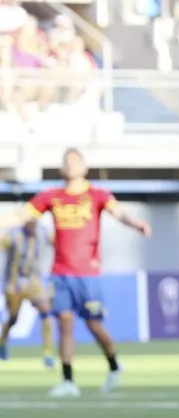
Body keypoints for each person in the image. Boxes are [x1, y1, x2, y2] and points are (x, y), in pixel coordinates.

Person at [0, 148, 151, 397]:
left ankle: (114, 365)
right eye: (66, 162)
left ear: (85, 167)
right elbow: (20, 216)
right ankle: (68, 381)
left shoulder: (97, 195)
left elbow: (118, 212)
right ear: (61, 169)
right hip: (60, 272)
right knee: (65, 324)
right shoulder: (51, 196)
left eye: (75, 161)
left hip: (87, 274)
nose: (70, 165)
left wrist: (135, 224)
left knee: (94, 324)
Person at [0, 218, 55, 366]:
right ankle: (2, 340)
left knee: (46, 313)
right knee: (13, 319)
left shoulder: (42, 232)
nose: (32, 225)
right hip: (14, 284)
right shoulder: (13, 235)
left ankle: (48, 353)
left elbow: (57, 241)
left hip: (34, 281)